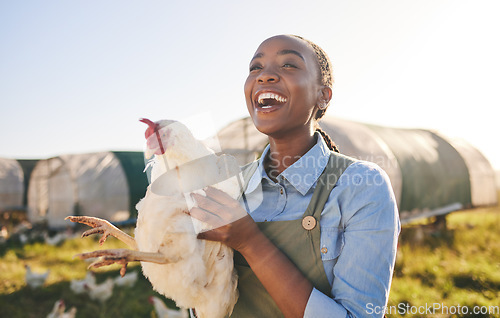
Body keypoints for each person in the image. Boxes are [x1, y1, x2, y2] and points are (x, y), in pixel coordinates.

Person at [190, 34, 400, 318]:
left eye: (289, 64)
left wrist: (250, 242)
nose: (265, 76)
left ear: (322, 96)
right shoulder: (231, 185)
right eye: (256, 68)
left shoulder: (360, 185)